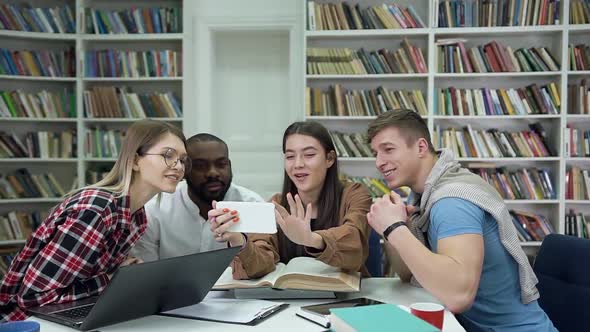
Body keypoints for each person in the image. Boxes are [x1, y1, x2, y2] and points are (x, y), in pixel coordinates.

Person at [366, 109, 556, 331]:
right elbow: (408, 274)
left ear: (420, 147)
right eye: (375, 153)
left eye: (388, 149)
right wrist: (395, 229)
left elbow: (458, 296)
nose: (379, 162)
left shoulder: (452, 201)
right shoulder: (422, 197)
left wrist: (394, 228)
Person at [0, 120, 188, 322]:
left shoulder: (138, 218)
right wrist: (113, 279)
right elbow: (34, 298)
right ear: (134, 161)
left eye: (183, 160)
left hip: (72, 312)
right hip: (25, 322)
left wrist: (124, 275)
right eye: (168, 155)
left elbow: (91, 277)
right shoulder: (96, 208)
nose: (178, 166)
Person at [210, 121, 372, 279]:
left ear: (329, 159)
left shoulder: (354, 194)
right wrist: (238, 240)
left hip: (347, 299)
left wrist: (311, 239)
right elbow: (260, 262)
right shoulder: (277, 205)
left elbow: (355, 242)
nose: (298, 164)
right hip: (291, 301)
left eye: (309, 155)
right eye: (290, 156)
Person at [131, 133, 264, 262]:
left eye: (221, 164)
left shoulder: (253, 204)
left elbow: (266, 262)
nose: (213, 173)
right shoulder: (154, 209)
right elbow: (145, 269)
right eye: (200, 166)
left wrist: (240, 242)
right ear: (184, 169)